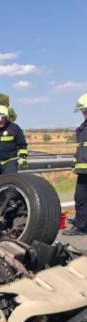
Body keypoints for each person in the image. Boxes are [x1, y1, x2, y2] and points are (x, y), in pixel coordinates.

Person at [64, 93, 87, 236]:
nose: (84, 114)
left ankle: (81, 226)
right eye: (83, 111)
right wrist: (76, 163)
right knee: (81, 198)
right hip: (83, 170)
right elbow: (81, 148)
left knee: (81, 198)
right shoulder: (83, 128)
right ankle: (82, 222)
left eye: (85, 111)